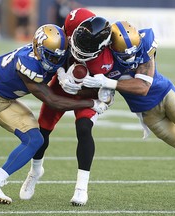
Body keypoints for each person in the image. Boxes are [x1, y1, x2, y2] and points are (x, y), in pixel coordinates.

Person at [0, 24, 108, 205]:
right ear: (37, 48)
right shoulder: (27, 62)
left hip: (7, 101)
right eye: (50, 56)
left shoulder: (55, 50)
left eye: (58, 57)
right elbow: (53, 101)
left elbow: (67, 61)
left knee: (35, 140)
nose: (54, 61)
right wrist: (91, 103)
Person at [82, 21, 175, 181]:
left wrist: (108, 82)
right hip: (148, 115)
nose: (130, 57)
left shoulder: (145, 42)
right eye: (125, 55)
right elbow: (107, 94)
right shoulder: (104, 61)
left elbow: (143, 87)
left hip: (166, 96)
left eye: (133, 53)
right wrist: (104, 97)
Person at [19, 9, 114, 206]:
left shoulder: (107, 60)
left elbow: (108, 96)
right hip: (62, 84)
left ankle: (81, 187)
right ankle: (35, 171)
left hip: (89, 90)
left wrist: (91, 86)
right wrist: (61, 73)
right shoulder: (76, 19)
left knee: (84, 128)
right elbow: (60, 45)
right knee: (42, 131)